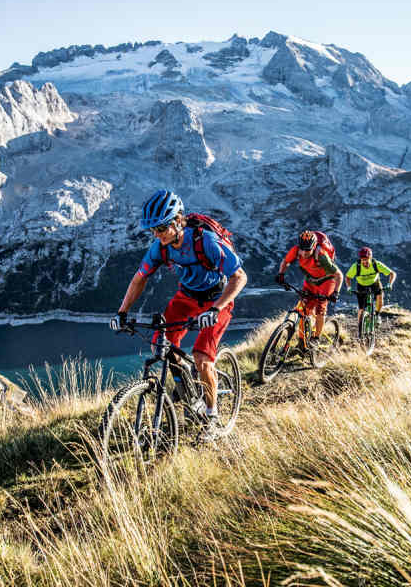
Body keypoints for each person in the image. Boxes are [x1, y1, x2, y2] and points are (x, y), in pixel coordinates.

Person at [110, 189, 247, 441]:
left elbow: (240, 277)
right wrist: (122, 312)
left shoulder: (206, 242)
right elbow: (139, 279)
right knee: (160, 346)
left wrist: (216, 308)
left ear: (177, 221)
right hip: (186, 297)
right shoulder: (160, 248)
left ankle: (212, 416)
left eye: (161, 228)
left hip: (217, 299)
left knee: (202, 358)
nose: (156, 234)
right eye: (152, 230)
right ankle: (186, 387)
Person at [275, 230, 343, 346]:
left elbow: (339, 275)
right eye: (302, 249)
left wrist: (335, 293)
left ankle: (316, 339)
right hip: (310, 280)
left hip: (327, 281)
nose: (304, 253)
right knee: (303, 309)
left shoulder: (321, 255)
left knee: (320, 309)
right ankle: (302, 343)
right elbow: (285, 261)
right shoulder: (296, 250)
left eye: (308, 250)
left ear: (314, 246)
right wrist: (281, 274)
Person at [345, 247, 396, 329]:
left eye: (366, 259)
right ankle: (360, 328)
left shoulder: (376, 264)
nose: (364, 261)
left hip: (374, 283)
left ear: (370, 258)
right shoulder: (356, 266)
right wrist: (349, 287)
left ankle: (377, 315)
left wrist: (390, 284)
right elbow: (347, 277)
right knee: (361, 309)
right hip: (361, 285)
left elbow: (392, 273)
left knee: (380, 297)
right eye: (362, 259)